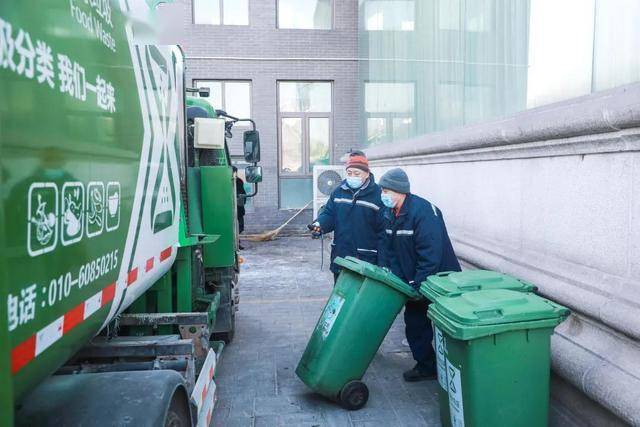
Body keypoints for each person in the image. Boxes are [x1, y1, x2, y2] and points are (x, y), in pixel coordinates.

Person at [377, 168, 461, 382]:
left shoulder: (423, 212)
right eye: (382, 190)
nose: (383, 195)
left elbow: (430, 254)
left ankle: (457, 365)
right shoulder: (389, 212)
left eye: (386, 190)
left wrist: (417, 283)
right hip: (413, 279)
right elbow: (388, 247)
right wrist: (391, 273)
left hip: (439, 279)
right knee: (415, 323)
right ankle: (427, 366)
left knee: (444, 324)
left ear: (400, 190)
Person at [311, 151, 385, 284]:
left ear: (367, 174)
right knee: (340, 296)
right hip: (341, 255)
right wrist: (320, 224)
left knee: (360, 301)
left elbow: (383, 231)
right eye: (349, 173)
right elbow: (329, 214)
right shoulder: (338, 191)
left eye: (357, 174)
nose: (352, 177)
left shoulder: (378, 195)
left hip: (365, 260)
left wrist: (383, 262)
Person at [232, 166, 247, 249]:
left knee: (240, 227)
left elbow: (243, 193)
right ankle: (235, 243)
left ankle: (237, 242)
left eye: (234, 172)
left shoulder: (239, 181)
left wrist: (241, 201)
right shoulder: (226, 181)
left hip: (239, 208)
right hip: (229, 208)